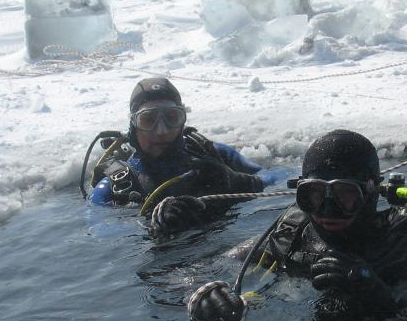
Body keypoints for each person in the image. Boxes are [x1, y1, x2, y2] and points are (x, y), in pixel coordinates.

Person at [188, 129, 407, 321]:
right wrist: (206, 295)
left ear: (371, 193)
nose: (327, 210)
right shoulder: (290, 238)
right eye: (313, 195)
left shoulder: (401, 252)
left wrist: (378, 297)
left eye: (345, 195)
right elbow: (205, 269)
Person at [88, 77, 279, 234]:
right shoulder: (117, 185)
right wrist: (151, 224)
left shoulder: (216, 155)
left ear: (183, 120)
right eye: (148, 120)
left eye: (171, 118)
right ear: (133, 125)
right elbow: (98, 229)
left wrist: (237, 180)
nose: (161, 131)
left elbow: (279, 178)